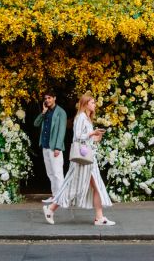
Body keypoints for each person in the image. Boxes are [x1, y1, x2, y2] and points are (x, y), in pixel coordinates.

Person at [44, 93, 114, 226]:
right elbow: (77, 136)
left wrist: (96, 137)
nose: (95, 105)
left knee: (96, 186)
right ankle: (51, 209)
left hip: (88, 160)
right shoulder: (81, 117)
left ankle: (99, 217)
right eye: (92, 102)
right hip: (82, 161)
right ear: (85, 104)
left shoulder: (87, 118)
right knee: (72, 187)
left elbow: (86, 138)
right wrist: (92, 133)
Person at [33, 92, 67, 203]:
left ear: (54, 98)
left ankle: (61, 198)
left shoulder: (61, 112)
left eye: (49, 98)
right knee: (50, 173)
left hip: (54, 147)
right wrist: (43, 112)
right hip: (45, 146)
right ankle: (54, 196)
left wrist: (58, 147)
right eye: (46, 98)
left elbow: (62, 131)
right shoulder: (46, 111)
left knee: (57, 173)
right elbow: (36, 124)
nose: (47, 100)